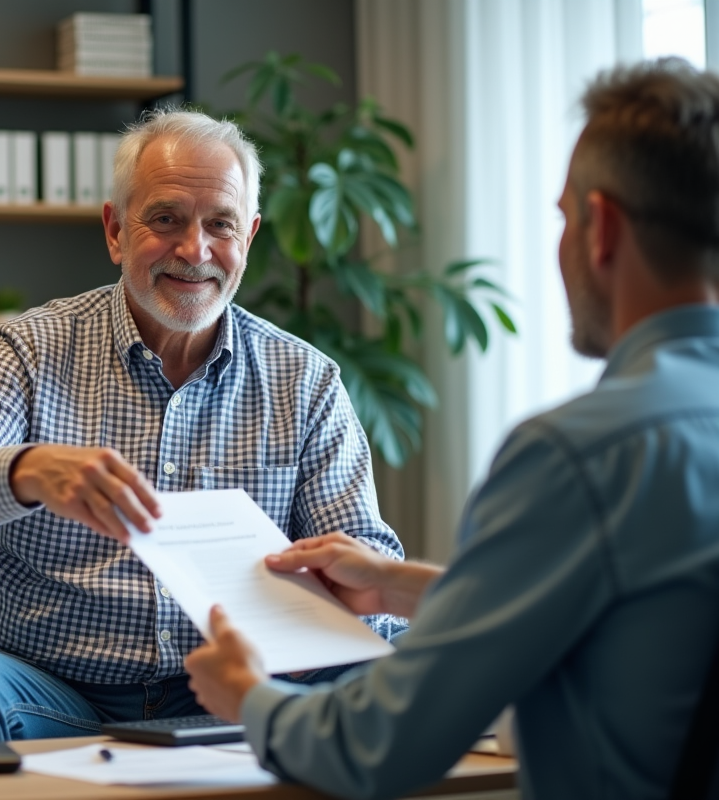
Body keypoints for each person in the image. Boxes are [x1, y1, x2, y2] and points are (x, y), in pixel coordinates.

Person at [184, 58, 719, 799]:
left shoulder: (578, 455)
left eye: (563, 217)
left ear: (600, 228)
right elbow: (628, 611)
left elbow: (380, 746)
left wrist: (248, 696)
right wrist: (393, 584)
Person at [0, 109, 407, 744]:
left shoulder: (305, 379)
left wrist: (337, 602)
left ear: (248, 237)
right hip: (50, 692)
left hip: (234, 691)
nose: (195, 251)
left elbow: (366, 562)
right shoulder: (30, 348)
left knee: (390, 665)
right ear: (115, 230)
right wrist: (24, 472)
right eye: (166, 220)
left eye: (221, 225)